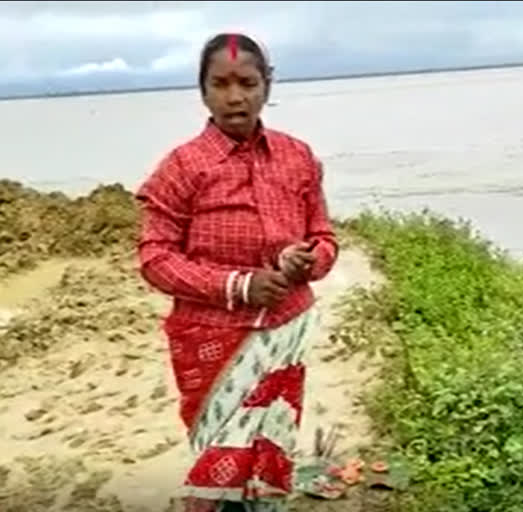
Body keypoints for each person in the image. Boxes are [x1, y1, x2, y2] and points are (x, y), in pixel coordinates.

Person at [135, 32, 338, 512]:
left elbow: (324, 237)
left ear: (266, 85)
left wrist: (306, 260)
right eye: (220, 83)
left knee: (271, 445)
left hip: (285, 333)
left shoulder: (298, 157)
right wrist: (240, 286)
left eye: (247, 82)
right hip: (213, 340)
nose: (234, 97)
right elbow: (155, 257)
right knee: (218, 458)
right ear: (202, 90)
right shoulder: (182, 167)